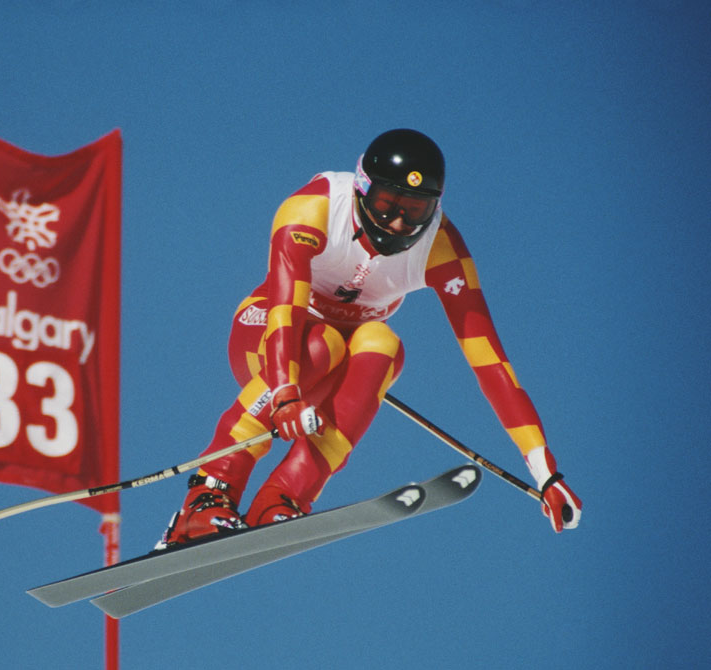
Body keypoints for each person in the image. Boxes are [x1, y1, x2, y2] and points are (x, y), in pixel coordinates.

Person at [156, 129, 582, 549]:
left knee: (384, 346)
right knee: (325, 342)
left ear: (433, 208)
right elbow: (287, 309)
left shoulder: (441, 246)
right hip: (269, 341)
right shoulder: (315, 206)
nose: (398, 222)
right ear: (362, 191)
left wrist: (546, 473)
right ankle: (206, 497)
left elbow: (492, 365)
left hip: (326, 368)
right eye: (385, 204)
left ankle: (282, 497)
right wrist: (285, 392)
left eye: (414, 210)